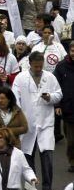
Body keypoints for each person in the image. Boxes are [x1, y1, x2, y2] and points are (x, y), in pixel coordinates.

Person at [12, 50, 62, 190]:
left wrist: (50, 97)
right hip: (27, 126)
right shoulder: (20, 78)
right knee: (28, 160)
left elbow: (59, 94)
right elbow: (15, 99)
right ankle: (31, 188)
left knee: (47, 160)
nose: (39, 69)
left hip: (46, 124)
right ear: (30, 64)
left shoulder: (50, 77)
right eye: (36, 67)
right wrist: (19, 114)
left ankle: (47, 187)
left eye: (41, 66)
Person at [54, 42, 74, 172]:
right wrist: (57, 105)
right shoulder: (61, 66)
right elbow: (55, 87)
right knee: (71, 141)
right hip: (69, 109)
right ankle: (73, 162)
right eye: (73, 50)